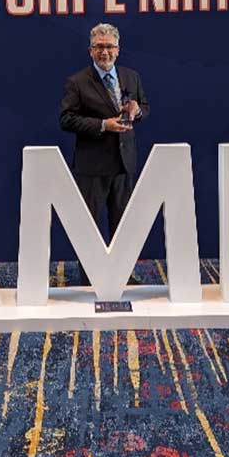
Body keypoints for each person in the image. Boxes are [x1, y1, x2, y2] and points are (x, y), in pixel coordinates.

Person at [60, 23, 149, 285]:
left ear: (118, 50)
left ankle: (122, 275)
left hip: (124, 163)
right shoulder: (77, 82)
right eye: (99, 47)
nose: (105, 52)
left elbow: (144, 106)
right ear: (91, 51)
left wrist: (137, 112)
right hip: (92, 166)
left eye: (109, 47)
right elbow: (66, 119)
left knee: (123, 224)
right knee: (89, 227)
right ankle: (90, 278)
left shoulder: (131, 77)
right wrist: (102, 125)